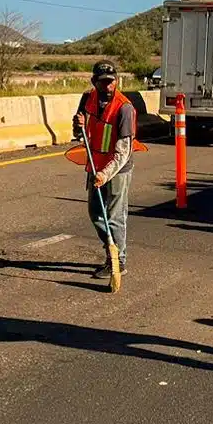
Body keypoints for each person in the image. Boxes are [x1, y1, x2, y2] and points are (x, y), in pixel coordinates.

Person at [70, 60, 138, 279]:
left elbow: (124, 151)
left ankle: (118, 261)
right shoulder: (87, 99)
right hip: (95, 163)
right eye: (103, 82)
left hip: (118, 168)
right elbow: (79, 132)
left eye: (111, 82)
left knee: (115, 216)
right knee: (96, 213)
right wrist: (78, 126)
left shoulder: (124, 108)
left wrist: (105, 174)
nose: (108, 86)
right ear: (94, 82)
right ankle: (111, 249)